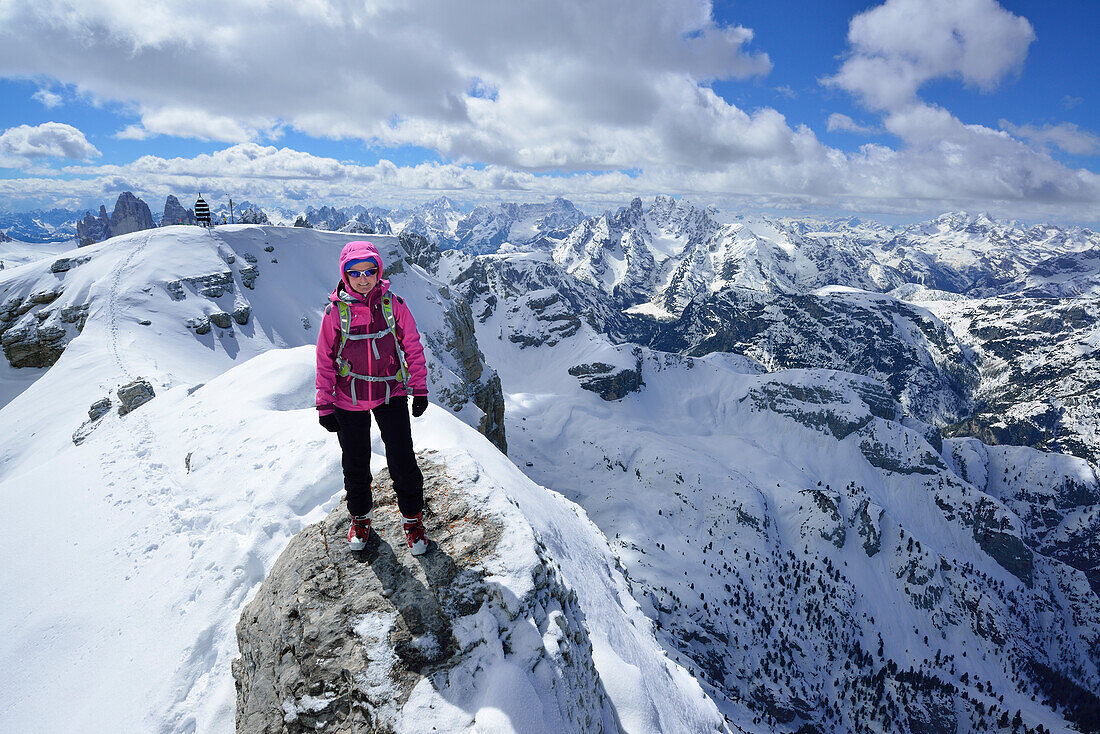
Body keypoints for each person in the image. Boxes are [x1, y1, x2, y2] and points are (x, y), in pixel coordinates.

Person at [315, 240, 431, 554]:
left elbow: (413, 347)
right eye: (355, 272)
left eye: (370, 271)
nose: (363, 277)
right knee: (355, 463)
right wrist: (324, 403)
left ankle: (412, 519)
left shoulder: (394, 304)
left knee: (402, 459)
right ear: (345, 275)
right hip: (347, 400)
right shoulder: (335, 312)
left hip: (390, 392)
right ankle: (361, 518)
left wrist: (418, 388)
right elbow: (325, 359)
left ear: (378, 272)